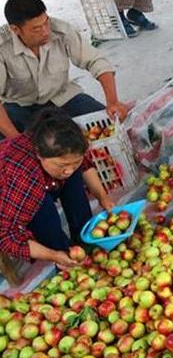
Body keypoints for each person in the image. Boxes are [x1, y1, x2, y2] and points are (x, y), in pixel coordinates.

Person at [0, 0, 130, 139]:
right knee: (10, 145)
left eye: (46, 22)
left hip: (62, 97)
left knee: (109, 125)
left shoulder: (61, 30)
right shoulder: (2, 46)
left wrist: (113, 102)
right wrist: (15, 140)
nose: (45, 31)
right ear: (15, 29)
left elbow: (96, 61)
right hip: (19, 105)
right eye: (36, 29)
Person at [0, 109, 114, 270]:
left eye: (74, 162)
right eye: (62, 165)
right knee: (43, 210)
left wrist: (103, 197)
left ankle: (84, 236)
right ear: (40, 155)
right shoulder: (24, 176)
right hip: (9, 197)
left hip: (36, 180)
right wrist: (52, 255)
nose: (68, 169)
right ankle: (63, 254)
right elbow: (5, 236)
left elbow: (84, 165)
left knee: (73, 175)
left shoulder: (64, 145)